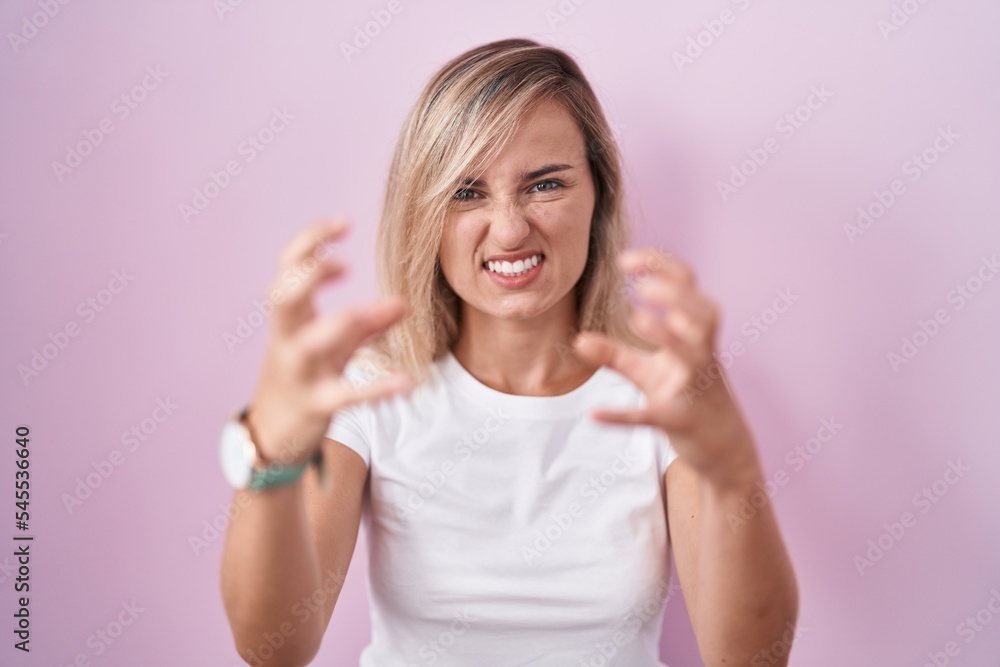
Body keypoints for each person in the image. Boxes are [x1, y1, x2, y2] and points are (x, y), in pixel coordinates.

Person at [219, 38, 798, 667]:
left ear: (598, 194)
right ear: (425, 215)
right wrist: (270, 455)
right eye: (467, 193)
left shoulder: (659, 391)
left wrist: (736, 473)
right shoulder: (371, 390)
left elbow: (750, 660)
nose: (511, 228)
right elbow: (273, 647)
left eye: (544, 184)